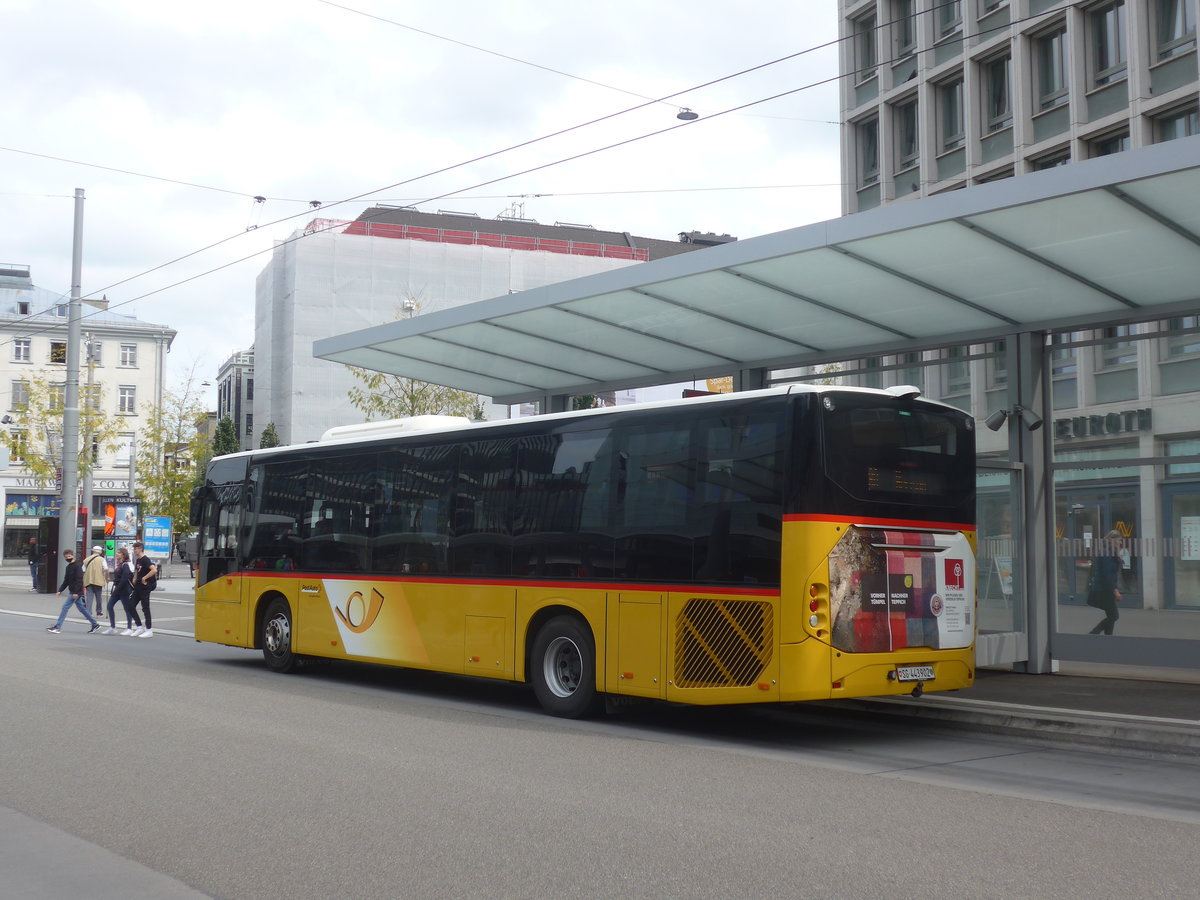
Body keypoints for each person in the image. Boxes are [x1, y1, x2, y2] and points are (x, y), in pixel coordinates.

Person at [46, 549, 102, 634]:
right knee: (82, 609)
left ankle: (58, 626)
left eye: (69, 556)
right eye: (66, 557)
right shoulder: (68, 567)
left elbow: (79, 580)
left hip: (75, 592)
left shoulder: (77, 566)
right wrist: (60, 590)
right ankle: (95, 624)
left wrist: (76, 592)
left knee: (65, 607)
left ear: (73, 556)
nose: (68, 558)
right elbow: (66, 580)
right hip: (74, 591)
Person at [1087, 530, 1124, 636]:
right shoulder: (1106, 553)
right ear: (1111, 540)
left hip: (1106, 588)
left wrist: (1118, 557)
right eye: (1119, 540)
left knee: (1111, 616)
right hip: (1103, 590)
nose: (1120, 543)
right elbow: (1107, 574)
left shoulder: (1110, 552)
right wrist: (1115, 590)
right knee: (1114, 616)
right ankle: (1093, 634)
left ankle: (1108, 638)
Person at [104, 547, 139, 635]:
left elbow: (124, 578)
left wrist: (117, 589)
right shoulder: (119, 565)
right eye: (117, 552)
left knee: (127, 609)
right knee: (109, 606)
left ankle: (129, 628)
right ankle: (112, 627)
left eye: (119, 553)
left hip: (124, 590)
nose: (117, 554)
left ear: (123, 555)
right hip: (118, 589)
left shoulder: (125, 565)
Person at [130, 541, 158, 638]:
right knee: (130, 605)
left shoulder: (145, 559)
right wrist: (135, 578)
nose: (134, 551)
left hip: (145, 587)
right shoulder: (138, 560)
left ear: (140, 549)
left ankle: (149, 630)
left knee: (145, 608)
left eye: (135, 549)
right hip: (137, 586)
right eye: (134, 549)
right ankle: (139, 627)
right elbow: (137, 570)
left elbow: (154, 570)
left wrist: (144, 578)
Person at [82, 545, 108, 618]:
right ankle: (99, 612)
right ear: (100, 552)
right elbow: (106, 569)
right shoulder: (102, 559)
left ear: (93, 551)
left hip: (88, 581)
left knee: (89, 598)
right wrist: (107, 578)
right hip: (98, 581)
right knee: (98, 597)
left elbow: (83, 570)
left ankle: (88, 613)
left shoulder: (86, 559)